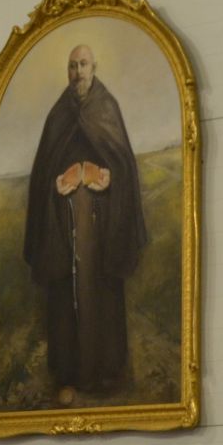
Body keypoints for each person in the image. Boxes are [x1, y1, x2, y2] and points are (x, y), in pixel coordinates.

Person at [23, 43, 148, 405]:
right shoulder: (58, 114)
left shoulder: (106, 107)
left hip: (102, 229)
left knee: (102, 296)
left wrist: (109, 179)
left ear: (94, 67)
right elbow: (44, 172)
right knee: (65, 300)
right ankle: (68, 375)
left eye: (83, 65)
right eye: (72, 66)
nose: (77, 72)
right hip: (64, 229)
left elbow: (123, 164)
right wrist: (55, 185)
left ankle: (107, 374)